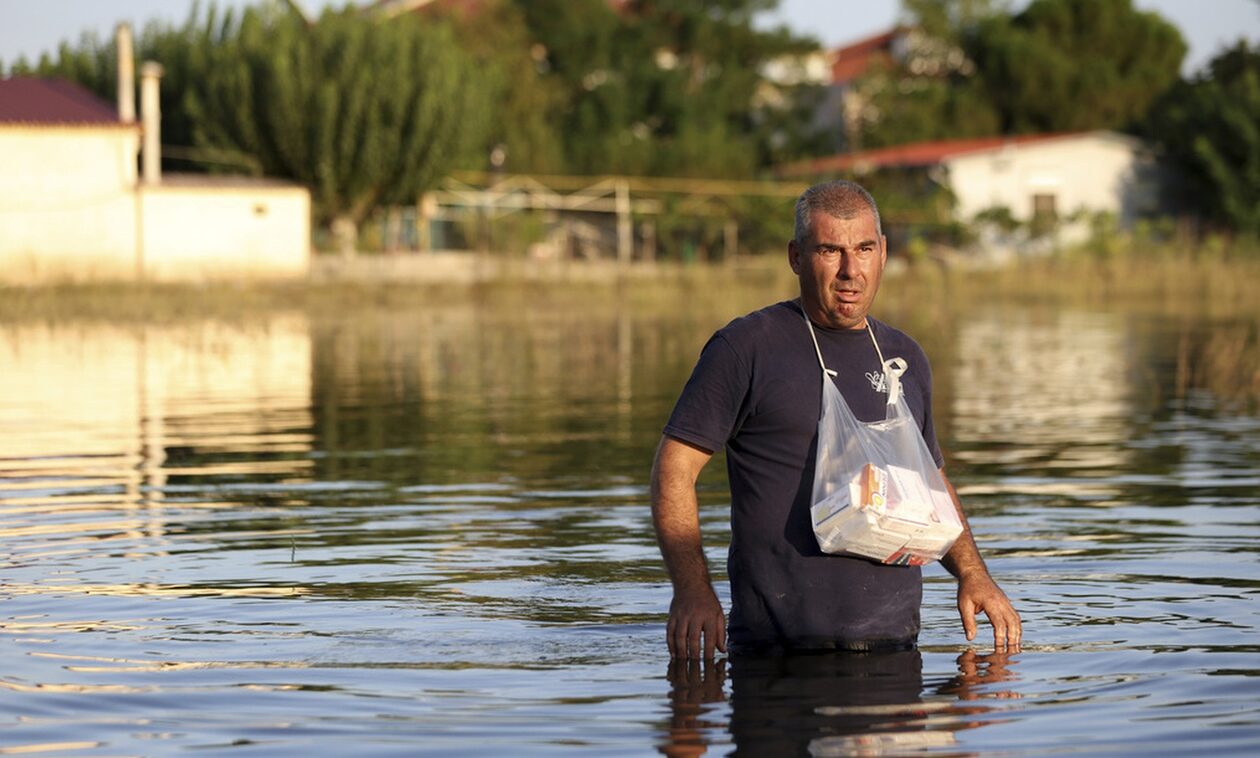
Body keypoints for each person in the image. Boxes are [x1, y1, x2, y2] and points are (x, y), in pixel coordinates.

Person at [650, 179, 1021, 659]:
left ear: (883, 253)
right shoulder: (746, 348)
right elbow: (674, 470)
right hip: (778, 655)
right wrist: (693, 590)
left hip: (896, 652)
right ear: (796, 257)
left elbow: (930, 481)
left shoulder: (904, 355)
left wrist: (973, 575)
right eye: (830, 251)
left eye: (864, 248)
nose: (851, 270)